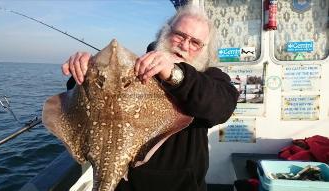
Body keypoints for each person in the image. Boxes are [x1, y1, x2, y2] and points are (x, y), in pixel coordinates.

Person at [62, 5, 238, 191]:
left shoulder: (210, 77)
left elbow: (222, 106)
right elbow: (84, 101)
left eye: (195, 42)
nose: (184, 45)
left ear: (204, 49)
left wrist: (174, 74)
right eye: (179, 35)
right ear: (165, 32)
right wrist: (83, 72)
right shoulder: (133, 71)